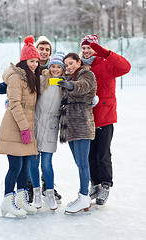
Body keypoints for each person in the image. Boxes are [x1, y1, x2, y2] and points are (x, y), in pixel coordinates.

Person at [0, 36, 62, 204]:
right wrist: (0, 89)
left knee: (43, 160)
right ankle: (28, 190)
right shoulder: (23, 69)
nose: (43, 53)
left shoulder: (54, 68)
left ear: (50, 53)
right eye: (41, 49)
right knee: (27, 161)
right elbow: (12, 85)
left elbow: (62, 84)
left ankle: (45, 186)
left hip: (43, 120)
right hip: (27, 119)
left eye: (47, 49)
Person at [80, 35, 131, 205]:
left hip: (104, 116)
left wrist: (106, 53)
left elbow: (126, 67)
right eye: (84, 48)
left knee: (102, 153)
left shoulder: (107, 64)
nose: (86, 51)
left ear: (96, 49)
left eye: (90, 48)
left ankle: (106, 184)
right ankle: (94, 183)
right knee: (89, 154)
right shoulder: (80, 66)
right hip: (86, 117)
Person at [0, 35, 40, 218]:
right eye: (31, 61)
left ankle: (22, 199)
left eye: (37, 61)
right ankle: (7, 201)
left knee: (26, 165)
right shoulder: (16, 77)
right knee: (15, 166)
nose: (34, 64)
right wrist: (24, 128)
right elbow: (14, 104)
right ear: (24, 60)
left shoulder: (31, 77)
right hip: (15, 126)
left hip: (26, 125)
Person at [58, 52, 97, 214]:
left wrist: (71, 86)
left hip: (82, 123)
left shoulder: (86, 73)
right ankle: (83, 196)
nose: (69, 66)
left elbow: (84, 86)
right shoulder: (68, 77)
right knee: (79, 163)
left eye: (71, 63)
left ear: (78, 62)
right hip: (71, 126)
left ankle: (83, 196)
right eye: (66, 65)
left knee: (82, 163)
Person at [30, 52, 66, 210]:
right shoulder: (41, 79)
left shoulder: (64, 84)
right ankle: (36, 193)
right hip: (36, 124)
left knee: (46, 164)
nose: (56, 69)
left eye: (59, 67)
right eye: (53, 66)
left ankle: (49, 193)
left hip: (51, 126)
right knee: (33, 161)